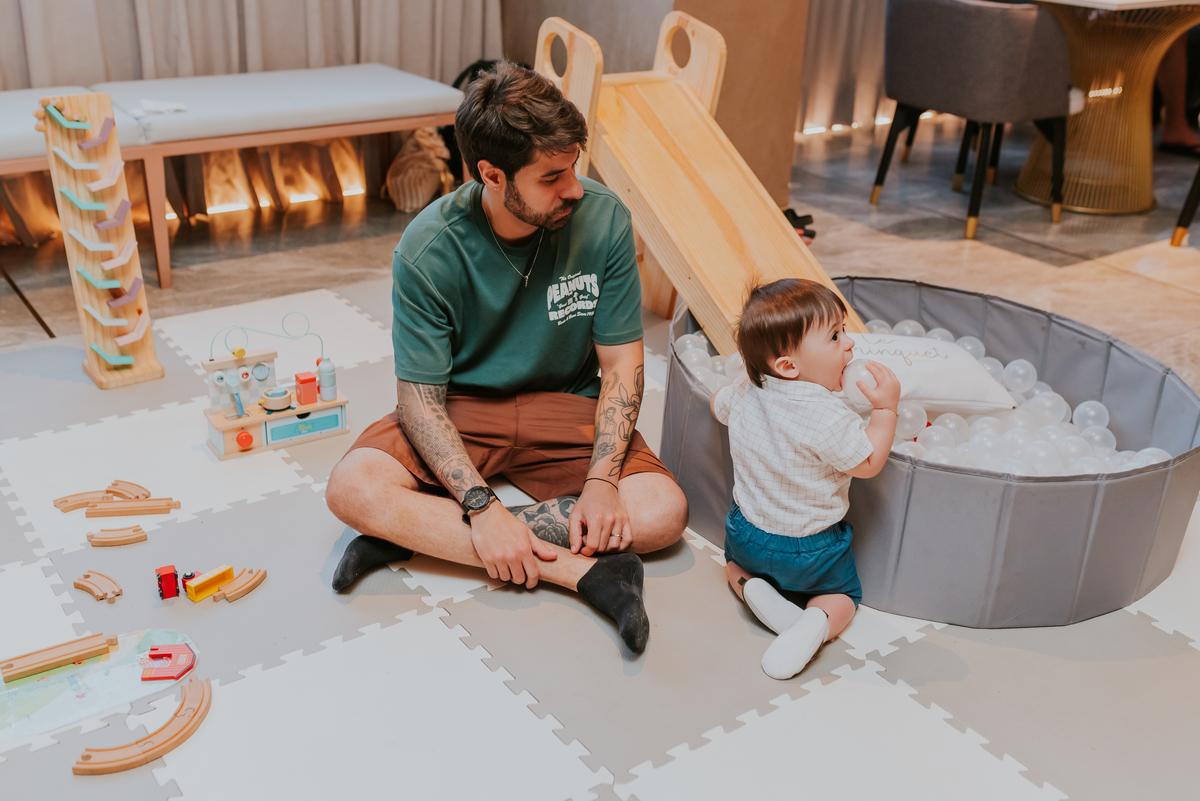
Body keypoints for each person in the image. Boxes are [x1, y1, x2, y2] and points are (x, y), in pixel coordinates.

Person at [324, 61, 688, 655]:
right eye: (552, 177)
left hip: (567, 407)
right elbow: (420, 401)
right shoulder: (428, 248)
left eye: (574, 167)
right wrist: (480, 507)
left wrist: (601, 484)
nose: (574, 188)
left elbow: (622, 366)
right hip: (462, 410)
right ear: (492, 175)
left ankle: (417, 534)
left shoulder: (604, 218)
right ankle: (587, 573)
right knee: (352, 488)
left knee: (661, 511)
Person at [710, 279, 899, 679]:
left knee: (730, 566)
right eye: (835, 337)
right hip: (812, 550)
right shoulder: (829, 416)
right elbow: (868, 462)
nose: (850, 343)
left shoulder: (745, 387)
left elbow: (717, 406)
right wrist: (885, 410)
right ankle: (816, 621)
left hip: (748, 537)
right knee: (843, 596)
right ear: (789, 366)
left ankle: (752, 588)